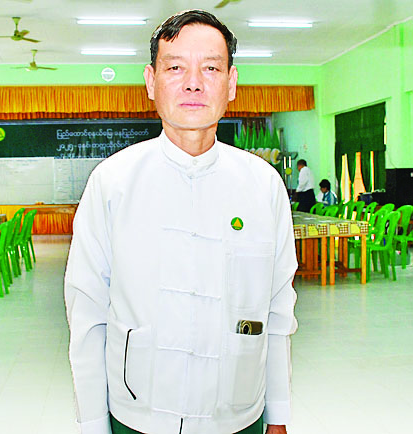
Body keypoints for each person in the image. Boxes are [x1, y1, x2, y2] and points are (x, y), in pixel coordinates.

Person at [65, 10, 297, 434]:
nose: (193, 83)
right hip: (136, 415)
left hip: (238, 414)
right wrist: (93, 424)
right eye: (175, 68)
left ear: (231, 83)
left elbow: (277, 311)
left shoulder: (263, 185)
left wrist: (278, 415)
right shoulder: (113, 183)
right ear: (151, 81)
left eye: (211, 68)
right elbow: (88, 316)